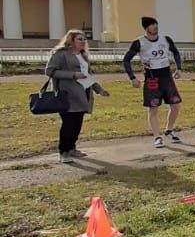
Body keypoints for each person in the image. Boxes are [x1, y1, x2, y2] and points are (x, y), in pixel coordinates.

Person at [44, 29, 111, 163]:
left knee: (77, 123)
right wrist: (72, 75)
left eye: (84, 39)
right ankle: (64, 151)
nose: (83, 42)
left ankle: (72, 148)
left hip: (82, 94)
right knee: (68, 123)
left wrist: (99, 89)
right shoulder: (61, 54)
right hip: (67, 95)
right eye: (79, 39)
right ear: (71, 41)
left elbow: (88, 76)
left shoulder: (83, 56)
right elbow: (50, 71)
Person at [122, 17, 184, 148]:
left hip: (166, 77)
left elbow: (176, 52)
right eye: (152, 25)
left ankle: (169, 130)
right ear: (146, 28)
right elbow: (126, 60)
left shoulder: (165, 39)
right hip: (152, 78)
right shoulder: (139, 43)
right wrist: (132, 77)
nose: (155, 27)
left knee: (176, 105)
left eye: (156, 24)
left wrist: (178, 68)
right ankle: (157, 136)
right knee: (153, 108)